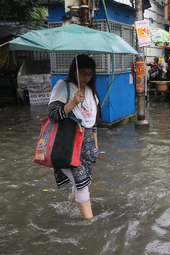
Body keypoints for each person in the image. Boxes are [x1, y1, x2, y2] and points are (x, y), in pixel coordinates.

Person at [48, 55, 101, 220]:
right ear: (74, 71)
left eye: (90, 74)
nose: (86, 77)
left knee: (81, 182)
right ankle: (90, 223)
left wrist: (95, 147)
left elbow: (92, 122)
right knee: (82, 183)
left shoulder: (91, 91)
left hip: (87, 149)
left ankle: (72, 203)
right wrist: (72, 103)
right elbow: (53, 115)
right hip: (67, 147)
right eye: (83, 73)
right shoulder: (63, 86)